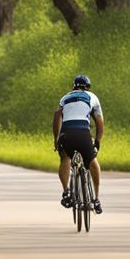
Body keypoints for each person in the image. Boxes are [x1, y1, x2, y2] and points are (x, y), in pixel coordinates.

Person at [52, 74, 104, 214]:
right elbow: (99, 122)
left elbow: (57, 116)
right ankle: (96, 199)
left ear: (73, 87)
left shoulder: (65, 97)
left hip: (66, 133)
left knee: (65, 159)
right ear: (88, 87)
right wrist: (97, 142)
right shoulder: (92, 96)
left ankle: (66, 192)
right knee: (93, 162)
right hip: (82, 133)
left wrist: (56, 138)